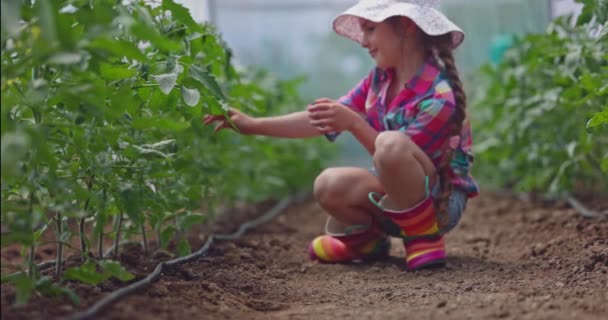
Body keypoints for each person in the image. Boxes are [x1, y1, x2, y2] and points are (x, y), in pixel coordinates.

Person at [203, 0, 479, 271]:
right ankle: (367, 242)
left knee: (390, 143)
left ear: (406, 25)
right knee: (329, 184)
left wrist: (355, 124)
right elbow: (324, 118)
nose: (363, 41)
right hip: (395, 198)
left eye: (370, 29)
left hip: (438, 202)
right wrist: (253, 124)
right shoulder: (380, 79)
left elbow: (396, 159)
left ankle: (424, 237)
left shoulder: (439, 97)